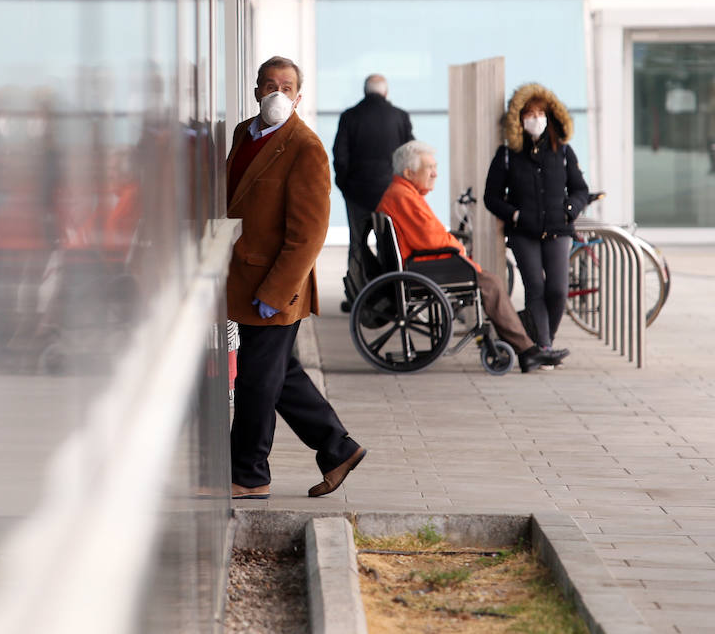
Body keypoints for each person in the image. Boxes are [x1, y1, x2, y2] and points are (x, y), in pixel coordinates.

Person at [227, 56, 366, 500]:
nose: (277, 95)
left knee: (254, 381)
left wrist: (276, 291)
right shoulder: (242, 134)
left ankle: (249, 476)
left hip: (275, 289)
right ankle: (337, 449)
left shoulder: (306, 146)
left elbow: (308, 233)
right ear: (255, 92)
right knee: (279, 375)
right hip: (242, 280)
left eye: (287, 87)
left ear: (299, 96)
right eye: (269, 86)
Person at [377, 141, 564, 374]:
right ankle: (527, 350)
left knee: (491, 280)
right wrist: (458, 247)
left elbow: (428, 235)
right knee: (492, 284)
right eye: (430, 168)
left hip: (423, 264)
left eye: (435, 167)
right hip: (425, 267)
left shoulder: (402, 192)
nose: (435, 173)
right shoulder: (404, 196)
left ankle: (526, 347)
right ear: (409, 172)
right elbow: (430, 239)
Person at [483, 83, 591, 352]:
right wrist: (515, 214)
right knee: (535, 287)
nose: (536, 119)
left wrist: (570, 209)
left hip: (558, 228)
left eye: (541, 113)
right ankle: (542, 347)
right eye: (529, 114)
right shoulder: (507, 155)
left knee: (557, 290)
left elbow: (580, 189)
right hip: (524, 232)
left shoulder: (563, 151)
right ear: (519, 118)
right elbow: (491, 197)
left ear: (550, 116)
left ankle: (546, 340)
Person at [333, 74, 414, 311]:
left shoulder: (350, 116)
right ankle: (391, 297)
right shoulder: (400, 116)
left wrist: (345, 186)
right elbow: (408, 155)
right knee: (388, 244)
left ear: (365, 91)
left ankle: (356, 297)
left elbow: (340, 156)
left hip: (357, 193)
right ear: (385, 92)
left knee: (357, 244)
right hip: (389, 195)